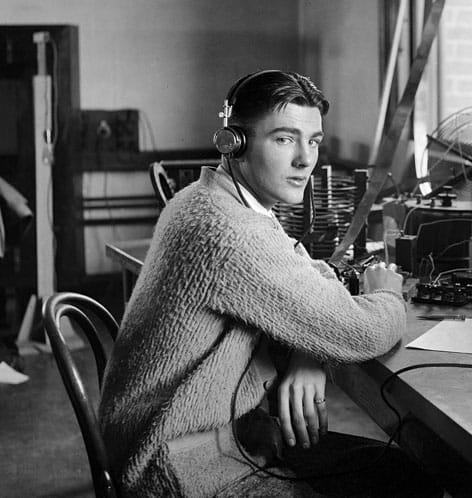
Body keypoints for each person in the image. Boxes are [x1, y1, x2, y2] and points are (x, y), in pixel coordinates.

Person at [99, 70, 440, 497]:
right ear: (233, 142)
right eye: (284, 139)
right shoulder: (229, 231)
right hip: (179, 469)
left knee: (399, 471)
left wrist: (308, 350)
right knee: (410, 476)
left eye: (313, 141)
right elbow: (363, 331)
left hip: (209, 439)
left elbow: (302, 272)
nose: (305, 159)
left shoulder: (211, 197)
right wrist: (386, 291)